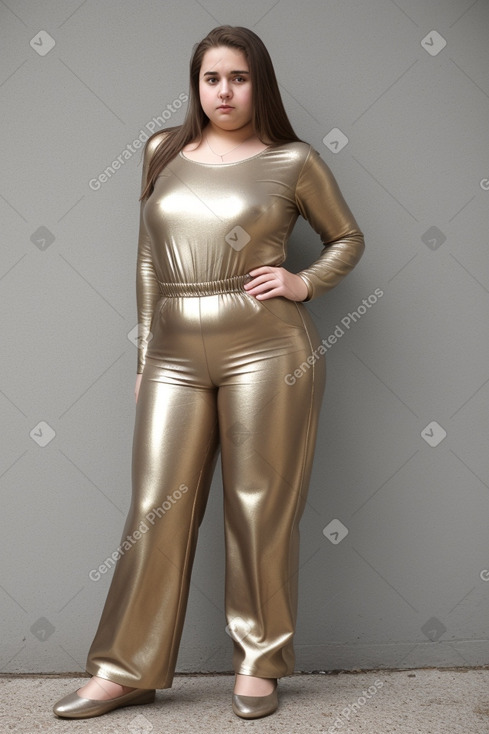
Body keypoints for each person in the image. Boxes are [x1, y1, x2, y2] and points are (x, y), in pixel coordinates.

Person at [53, 24, 364, 721]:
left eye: (240, 77)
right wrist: (142, 360)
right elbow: (145, 260)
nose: (225, 91)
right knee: (154, 509)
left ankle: (257, 663)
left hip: (267, 348)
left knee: (258, 507)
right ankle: (125, 669)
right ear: (196, 85)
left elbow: (347, 238)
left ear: (260, 84)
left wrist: (302, 283)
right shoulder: (163, 150)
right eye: (212, 78)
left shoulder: (292, 160)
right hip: (171, 350)